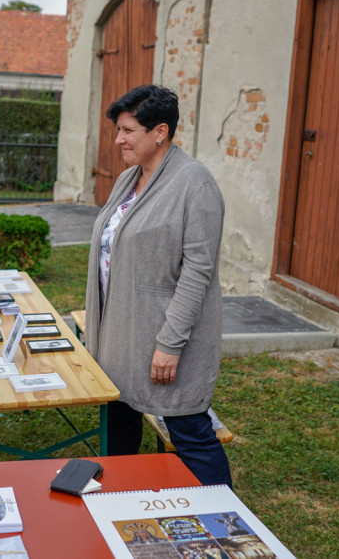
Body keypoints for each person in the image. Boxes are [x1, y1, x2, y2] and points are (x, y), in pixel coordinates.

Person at [84, 84, 233, 488]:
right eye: (119, 129)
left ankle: (224, 516)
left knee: (188, 429)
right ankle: (121, 507)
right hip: (122, 333)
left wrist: (170, 343)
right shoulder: (130, 178)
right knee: (118, 425)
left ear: (160, 132)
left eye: (128, 130)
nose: (119, 139)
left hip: (162, 336)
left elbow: (198, 272)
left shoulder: (194, 184)